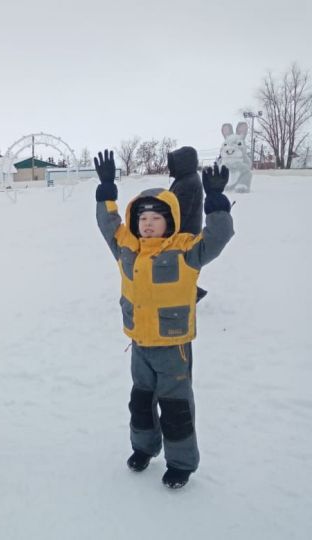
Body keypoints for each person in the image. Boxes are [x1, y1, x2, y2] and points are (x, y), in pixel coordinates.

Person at [94, 149, 234, 489]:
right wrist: (107, 190)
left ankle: (181, 463)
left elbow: (217, 238)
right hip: (140, 344)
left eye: (156, 218)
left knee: (175, 408)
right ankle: (143, 448)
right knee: (140, 402)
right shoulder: (128, 248)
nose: (147, 223)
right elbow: (109, 225)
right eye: (142, 218)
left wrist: (216, 200)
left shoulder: (185, 249)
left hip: (173, 347)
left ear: (169, 221)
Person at [167, 146, 207, 301]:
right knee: (181, 265)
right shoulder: (186, 179)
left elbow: (180, 212)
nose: (170, 167)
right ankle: (191, 291)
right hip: (187, 229)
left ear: (182, 163)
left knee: (180, 265)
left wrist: (169, 229)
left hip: (184, 232)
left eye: (173, 163)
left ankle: (190, 293)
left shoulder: (187, 183)